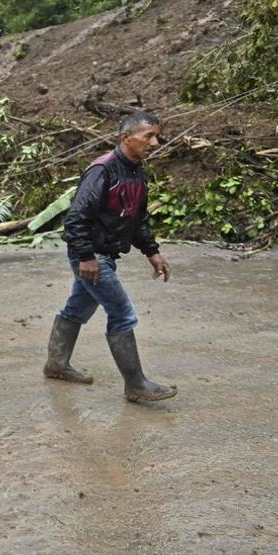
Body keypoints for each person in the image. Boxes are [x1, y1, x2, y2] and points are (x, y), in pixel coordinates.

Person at [44, 111, 177, 403]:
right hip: (93, 256)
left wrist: (152, 252)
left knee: (77, 310)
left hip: (104, 253)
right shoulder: (102, 171)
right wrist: (86, 258)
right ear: (125, 138)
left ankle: (56, 364)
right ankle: (136, 384)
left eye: (157, 136)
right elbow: (76, 219)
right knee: (122, 313)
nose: (155, 143)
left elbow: (138, 218)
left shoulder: (136, 171)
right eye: (148, 136)